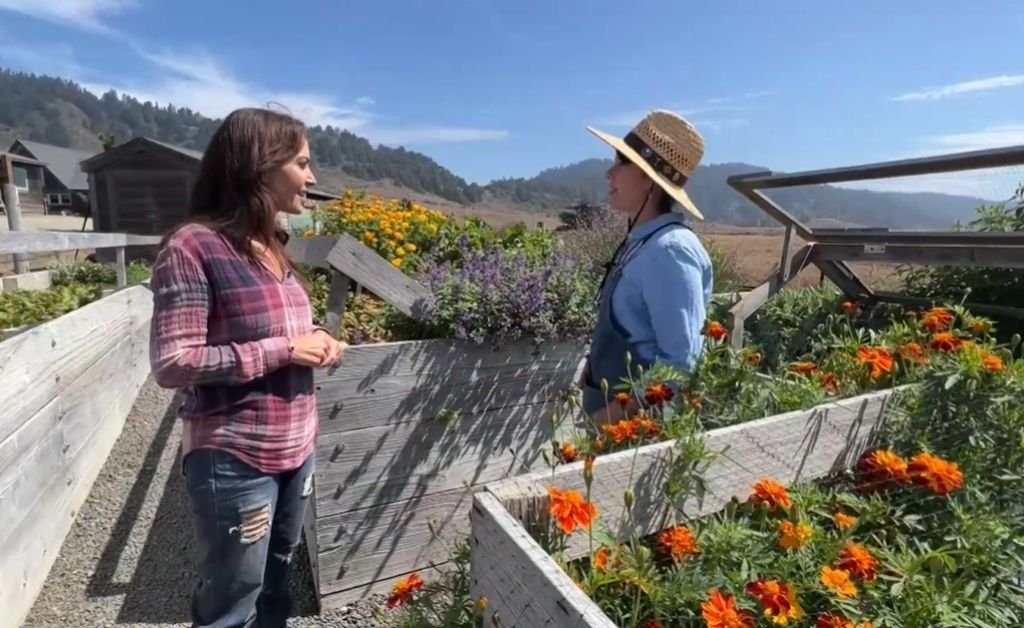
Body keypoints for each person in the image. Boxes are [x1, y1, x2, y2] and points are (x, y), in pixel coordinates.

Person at [148, 107, 345, 628]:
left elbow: (285, 333)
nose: (312, 177)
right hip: (236, 457)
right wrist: (284, 350)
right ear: (262, 165)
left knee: (279, 586)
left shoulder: (274, 248)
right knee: (233, 601)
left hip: (296, 450)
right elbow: (173, 362)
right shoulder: (193, 247)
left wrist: (318, 340)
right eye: (302, 163)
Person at [578, 109, 714, 424]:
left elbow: (679, 365)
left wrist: (607, 419)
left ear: (648, 180)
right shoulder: (642, 243)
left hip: (637, 434)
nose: (609, 174)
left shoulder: (670, 252)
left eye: (620, 163)